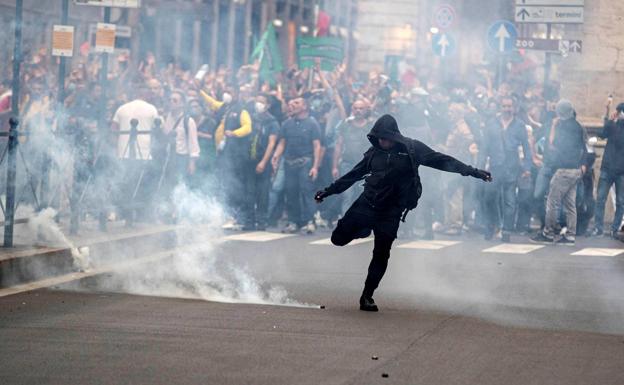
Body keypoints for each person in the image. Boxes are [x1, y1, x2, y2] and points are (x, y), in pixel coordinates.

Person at [314, 115, 491, 311]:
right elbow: (354, 175)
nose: (383, 142)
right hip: (366, 204)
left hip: (390, 211)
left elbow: (442, 160)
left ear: (394, 136)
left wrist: (473, 171)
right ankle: (362, 229)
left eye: (386, 138)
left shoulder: (412, 149)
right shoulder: (374, 152)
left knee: (381, 254)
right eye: (379, 138)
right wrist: (329, 191)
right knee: (337, 239)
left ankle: (367, 295)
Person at [531, 100, 587, 245]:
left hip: (563, 170)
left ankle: (548, 233)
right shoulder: (578, 126)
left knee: (552, 202)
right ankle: (570, 236)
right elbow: (583, 147)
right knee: (570, 204)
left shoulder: (561, 126)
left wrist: (554, 126)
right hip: (575, 170)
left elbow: (552, 142)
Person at [480, 96, 532, 242]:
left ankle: (506, 231)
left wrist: (527, 167)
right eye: (504, 106)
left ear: (514, 108)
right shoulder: (491, 124)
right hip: (495, 166)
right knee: (489, 197)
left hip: (511, 167)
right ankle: (492, 226)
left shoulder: (519, 125)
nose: (507, 109)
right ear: (500, 108)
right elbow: (484, 147)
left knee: (510, 200)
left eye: (509, 106)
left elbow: (526, 147)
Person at [271, 97, 322, 234]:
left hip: (306, 162)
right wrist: (276, 156)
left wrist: (315, 166)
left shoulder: (312, 123)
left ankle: (310, 221)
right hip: (289, 163)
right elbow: (282, 143)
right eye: (290, 103)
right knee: (291, 193)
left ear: (305, 107)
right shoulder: (286, 124)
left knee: (307, 192)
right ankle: (294, 222)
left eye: (296, 103)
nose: (291, 105)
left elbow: (317, 146)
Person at [247, 94, 279, 230]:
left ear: (268, 105)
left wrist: (264, 162)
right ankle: (249, 220)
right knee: (249, 191)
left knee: (262, 192)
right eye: (256, 100)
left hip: (262, 160)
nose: (258, 104)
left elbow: (271, 144)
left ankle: (261, 220)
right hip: (249, 159)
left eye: (261, 102)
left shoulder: (272, 122)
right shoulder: (250, 118)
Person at [592, 101, 624, 239]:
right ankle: (598, 228)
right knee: (600, 199)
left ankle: (614, 228)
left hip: (621, 171)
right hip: (607, 168)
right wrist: (607, 117)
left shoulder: (616, 127)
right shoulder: (612, 125)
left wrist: (613, 122)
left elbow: (619, 140)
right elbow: (602, 134)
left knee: (621, 201)